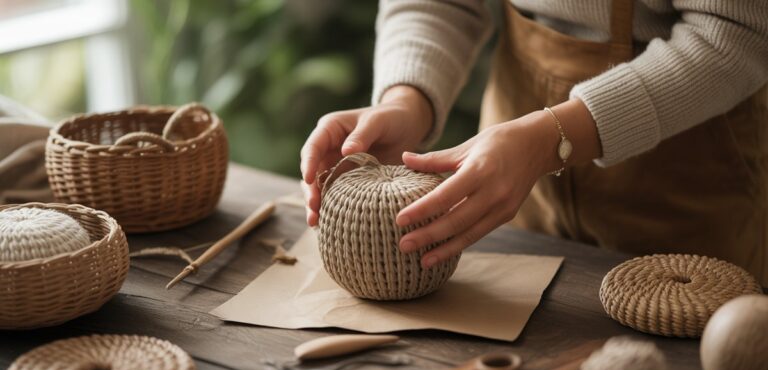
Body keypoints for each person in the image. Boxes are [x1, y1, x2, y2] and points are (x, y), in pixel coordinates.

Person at [301, 0, 768, 285]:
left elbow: (736, 33)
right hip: (508, 175)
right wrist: (406, 101)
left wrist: (549, 140)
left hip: (690, 172)